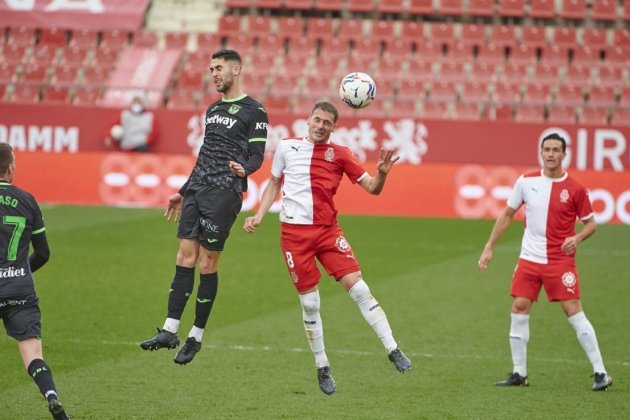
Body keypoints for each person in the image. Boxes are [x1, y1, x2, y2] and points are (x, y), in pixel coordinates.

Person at [243, 101, 411, 396]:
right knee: (310, 304)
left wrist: (382, 173)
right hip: (294, 236)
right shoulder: (286, 147)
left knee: (359, 288)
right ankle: (322, 365)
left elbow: (372, 188)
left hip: (327, 232)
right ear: (307, 120)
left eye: (327, 123)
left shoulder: (341, 155)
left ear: (334, 127)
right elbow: (274, 183)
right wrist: (259, 214)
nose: (320, 126)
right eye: (316, 120)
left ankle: (393, 348)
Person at [140, 49, 268, 365]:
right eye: (211, 69)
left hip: (225, 193)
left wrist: (245, 170)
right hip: (197, 190)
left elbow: (257, 155)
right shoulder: (211, 110)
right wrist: (182, 192)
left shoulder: (255, 111)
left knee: (207, 264)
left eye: (219, 68)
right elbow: (204, 154)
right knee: (184, 255)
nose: (214, 73)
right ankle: (170, 330)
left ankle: (195, 336)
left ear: (236, 69)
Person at [478, 133, 612, 391]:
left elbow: (591, 223)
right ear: (541, 153)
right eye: (546, 149)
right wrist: (489, 247)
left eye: (555, 150)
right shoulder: (526, 182)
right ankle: (519, 373)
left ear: (564, 154)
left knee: (573, 309)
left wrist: (579, 237)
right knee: (519, 305)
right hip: (529, 257)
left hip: (559, 259)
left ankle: (600, 373)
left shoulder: (575, 189)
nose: (550, 154)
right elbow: (507, 214)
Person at [0, 143, 70, 419]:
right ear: (9, 168)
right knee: (32, 353)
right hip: (19, 288)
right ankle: (52, 397)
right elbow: (43, 253)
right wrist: (20, 270)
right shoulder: (27, 200)